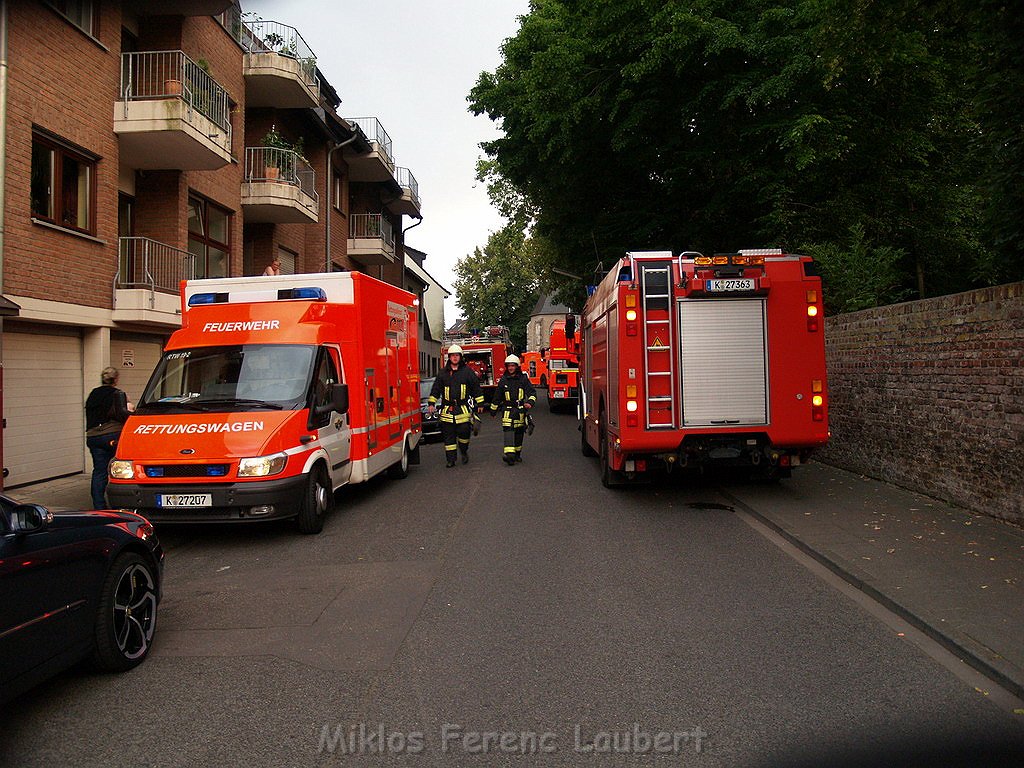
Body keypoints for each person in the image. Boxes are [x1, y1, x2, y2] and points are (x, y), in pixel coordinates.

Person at [428, 345, 484, 467]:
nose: (454, 358)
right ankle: (451, 460)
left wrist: (480, 403)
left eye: (457, 355)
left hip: (462, 409)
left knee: (464, 434)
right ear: (449, 357)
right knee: (449, 438)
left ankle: (463, 451)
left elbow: (476, 387)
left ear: (460, 357)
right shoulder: (443, 373)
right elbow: (436, 389)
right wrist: (431, 403)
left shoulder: (467, 372)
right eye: (452, 356)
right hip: (447, 410)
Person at [84, 367, 132, 509]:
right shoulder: (117, 394)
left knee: (99, 471)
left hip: (93, 436)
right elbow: (124, 413)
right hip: (111, 435)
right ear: (116, 379)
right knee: (122, 468)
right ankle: (123, 503)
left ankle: (99, 506)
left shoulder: (93, 394)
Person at [490, 354, 537, 465]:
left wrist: (530, 403)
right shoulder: (503, 380)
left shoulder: (523, 379)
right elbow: (497, 396)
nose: (511, 368)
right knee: (508, 431)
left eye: (513, 366)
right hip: (507, 410)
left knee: (519, 433)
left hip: (520, 410)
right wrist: (493, 410)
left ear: (517, 366)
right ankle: (510, 456)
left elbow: (532, 393)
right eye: (509, 366)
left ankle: (517, 454)